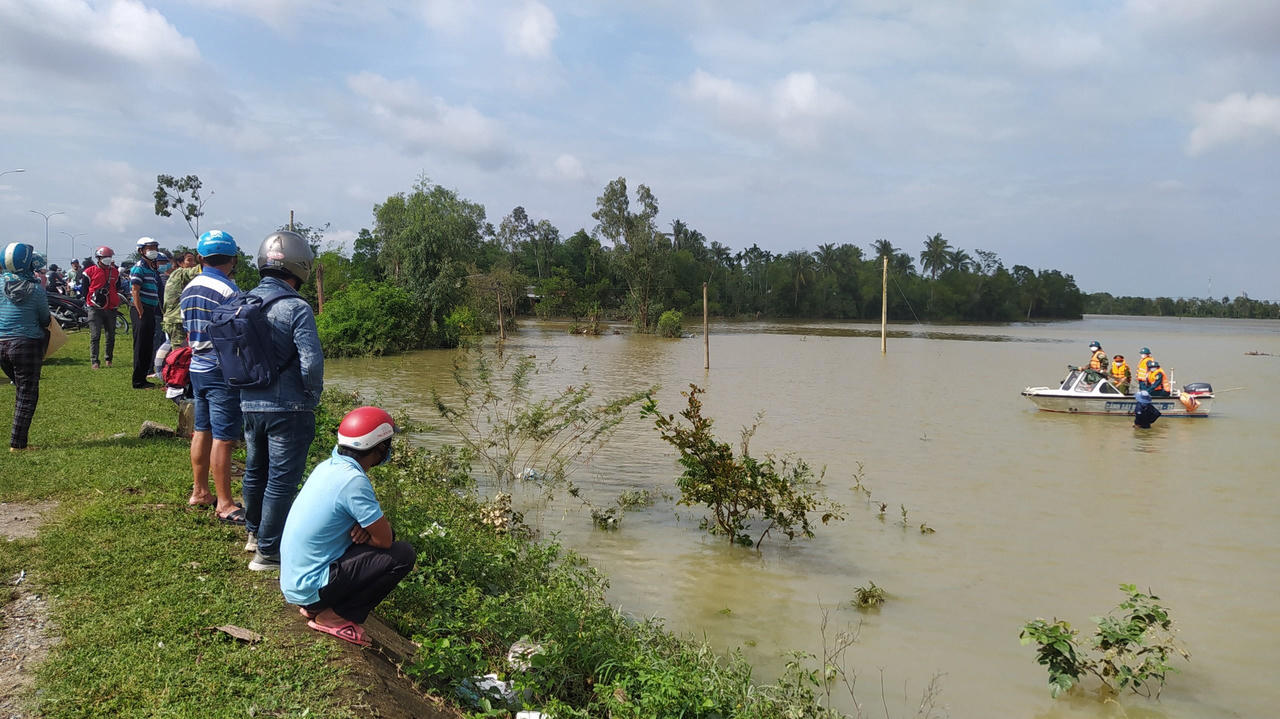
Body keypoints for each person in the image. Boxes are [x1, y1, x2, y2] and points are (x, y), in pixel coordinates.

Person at [280, 406, 416, 646]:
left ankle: (318, 606)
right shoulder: (353, 481)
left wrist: (368, 530)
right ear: (380, 448)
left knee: (388, 536)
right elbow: (384, 541)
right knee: (402, 554)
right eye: (388, 445)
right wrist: (372, 533)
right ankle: (334, 617)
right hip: (310, 586)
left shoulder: (329, 467)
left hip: (297, 583)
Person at [241, 231, 323, 571]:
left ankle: (253, 535)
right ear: (299, 266)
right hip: (288, 407)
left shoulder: (244, 302)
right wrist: (312, 395)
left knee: (254, 470)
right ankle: (268, 553)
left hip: (248, 402)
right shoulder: (296, 307)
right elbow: (312, 361)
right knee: (281, 479)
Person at [180, 230, 244, 524]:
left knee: (202, 430)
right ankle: (226, 503)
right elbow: (240, 334)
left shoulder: (189, 287)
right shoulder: (229, 292)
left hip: (197, 368)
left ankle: (200, 492)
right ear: (232, 259)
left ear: (202, 258)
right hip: (220, 371)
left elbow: (186, 329)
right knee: (224, 437)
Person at [0, 242, 51, 452]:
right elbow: (45, 318)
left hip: (1, 345)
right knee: (27, 393)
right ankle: (18, 444)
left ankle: (17, 440)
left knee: (20, 389)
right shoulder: (36, 290)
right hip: (26, 345)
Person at [130, 237, 163, 389]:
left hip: (150, 309)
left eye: (155, 247)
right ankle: (138, 380)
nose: (153, 250)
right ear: (141, 250)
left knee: (148, 344)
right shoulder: (139, 268)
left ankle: (143, 377)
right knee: (141, 345)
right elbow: (135, 291)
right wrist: (140, 311)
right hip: (141, 309)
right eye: (150, 248)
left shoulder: (151, 268)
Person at [82, 246, 121, 369]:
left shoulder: (115, 272)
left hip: (111, 307)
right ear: (98, 258)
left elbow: (118, 287)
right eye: (105, 257)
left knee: (111, 335)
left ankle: (108, 358)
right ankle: (95, 361)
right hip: (94, 308)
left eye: (109, 257)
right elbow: (84, 290)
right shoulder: (89, 272)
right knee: (95, 335)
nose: (108, 259)